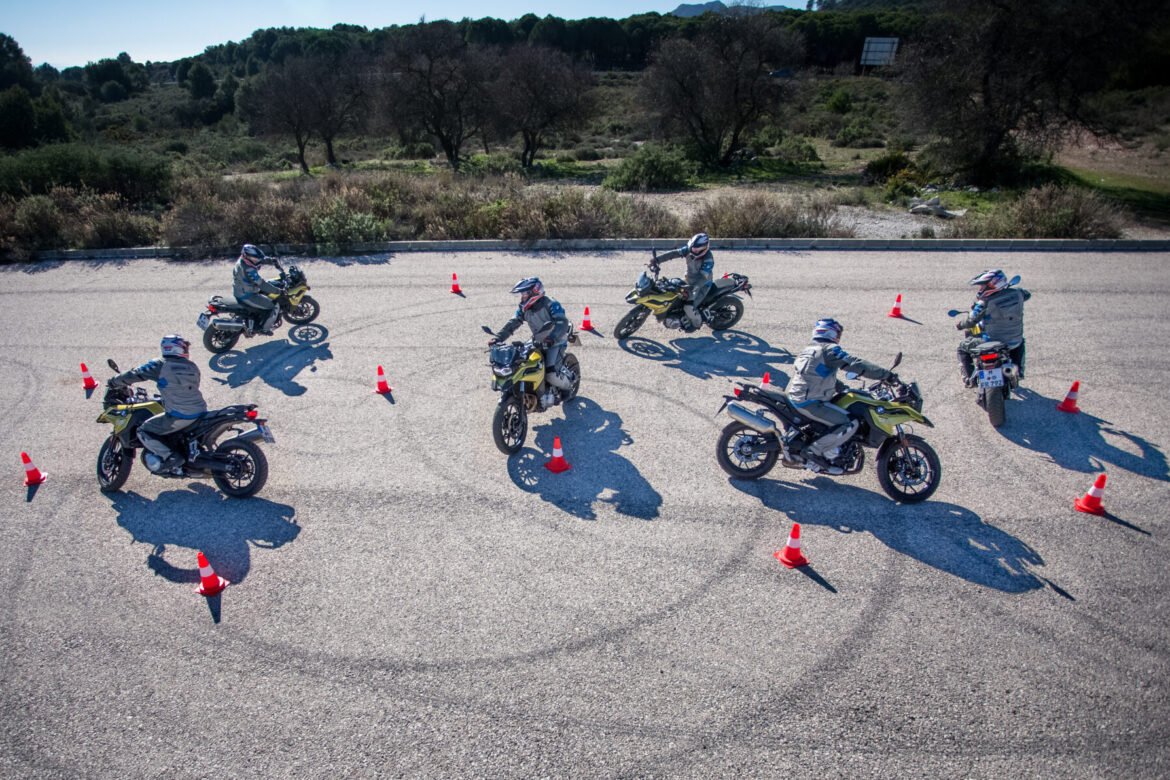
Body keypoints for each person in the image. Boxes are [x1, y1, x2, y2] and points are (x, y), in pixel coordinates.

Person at [786, 318, 896, 474]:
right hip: (810, 402)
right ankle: (813, 452)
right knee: (850, 423)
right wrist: (886, 375)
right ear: (832, 333)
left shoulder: (810, 349)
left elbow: (818, 375)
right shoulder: (829, 350)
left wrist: (843, 388)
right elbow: (854, 364)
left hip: (799, 396)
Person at [107, 335, 207, 474]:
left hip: (180, 415)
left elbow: (136, 373)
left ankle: (171, 457)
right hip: (201, 411)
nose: (186, 350)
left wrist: (114, 381)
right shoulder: (192, 366)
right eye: (185, 347)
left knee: (143, 430)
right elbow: (184, 390)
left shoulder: (160, 364)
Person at [490, 277, 574, 408]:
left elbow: (561, 322)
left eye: (524, 294)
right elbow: (513, 323)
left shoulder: (551, 304)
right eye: (521, 295)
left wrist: (552, 338)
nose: (522, 298)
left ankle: (567, 386)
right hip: (538, 340)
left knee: (551, 374)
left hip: (556, 341)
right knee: (520, 362)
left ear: (534, 292)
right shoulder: (524, 308)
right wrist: (497, 338)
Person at [955, 269, 1030, 386]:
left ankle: (969, 379)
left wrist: (960, 324)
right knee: (1020, 342)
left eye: (983, 286)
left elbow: (971, 321)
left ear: (993, 285)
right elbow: (1027, 294)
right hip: (1014, 341)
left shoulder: (984, 302)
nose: (981, 289)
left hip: (991, 341)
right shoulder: (1018, 293)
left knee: (962, 348)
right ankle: (1019, 371)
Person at [653, 232, 714, 331]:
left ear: (704, 248)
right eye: (692, 248)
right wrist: (657, 260)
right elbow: (675, 253)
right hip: (689, 280)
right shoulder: (689, 250)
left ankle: (696, 324)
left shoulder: (708, 259)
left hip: (702, 285)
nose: (693, 251)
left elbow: (703, 278)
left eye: (696, 249)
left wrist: (693, 288)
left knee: (688, 306)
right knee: (673, 294)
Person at [233, 243, 282, 335]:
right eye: (254, 259)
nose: (256, 261)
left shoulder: (242, 260)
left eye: (256, 259)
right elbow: (261, 284)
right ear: (246, 256)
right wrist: (278, 291)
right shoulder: (248, 269)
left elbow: (259, 259)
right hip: (247, 295)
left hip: (240, 289)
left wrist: (270, 260)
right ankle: (265, 329)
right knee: (274, 306)